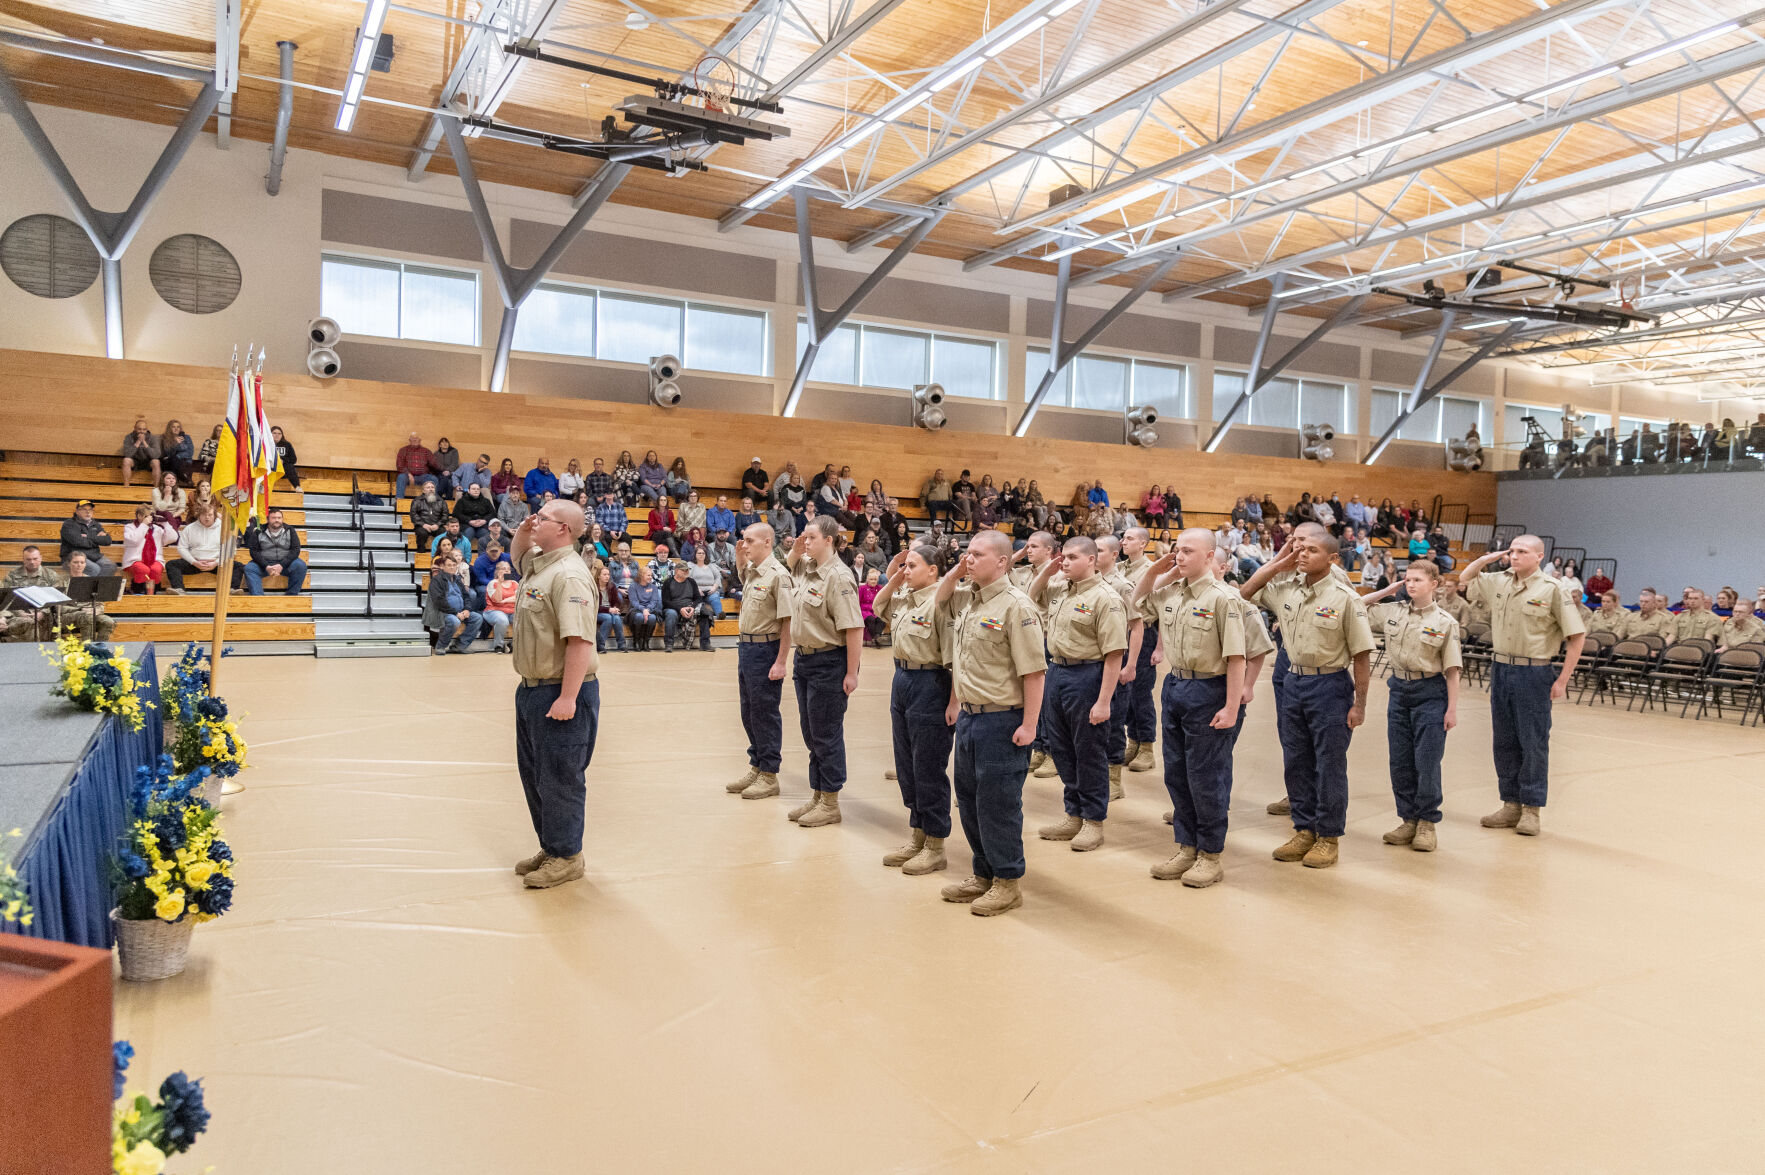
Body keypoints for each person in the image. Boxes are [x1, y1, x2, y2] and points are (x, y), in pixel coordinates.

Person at [1241, 532, 1375, 869]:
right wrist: (1281, 562)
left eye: (1312, 550)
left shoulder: (1346, 598)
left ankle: (1328, 837)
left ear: (1331, 558)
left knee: (1329, 764)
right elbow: (1244, 593)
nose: (1303, 554)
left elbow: (1361, 656)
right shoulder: (1288, 587)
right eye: (1301, 549)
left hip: (1330, 685)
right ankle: (1304, 829)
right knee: (1296, 760)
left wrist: (1360, 704)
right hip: (1293, 681)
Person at [934, 530, 1047, 917]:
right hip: (970, 718)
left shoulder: (1017, 607)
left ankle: (1007, 881)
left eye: (977, 554)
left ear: (1002, 561)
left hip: (1003, 721)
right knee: (968, 800)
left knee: (998, 804)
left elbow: (1034, 672)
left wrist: (1030, 726)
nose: (969, 559)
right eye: (967, 553)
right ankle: (983, 873)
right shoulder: (970, 604)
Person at [1130, 529, 1248, 887]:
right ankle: (1186, 845)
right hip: (1176, 686)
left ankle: (1210, 854)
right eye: (1177, 550)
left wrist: (1230, 708)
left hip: (1209, 690)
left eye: (1188, 551)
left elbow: (1237, 658)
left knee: (1205, 777)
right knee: (1177, 774)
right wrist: (1156, 571)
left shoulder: (1223, 599)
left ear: (1210, 556)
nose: (1179, 556)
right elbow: (1134, 603)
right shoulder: (1170, 593)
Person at [1459, 536, 1587, 837]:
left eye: (1522, 552)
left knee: (1533, 741)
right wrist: (1486, 559)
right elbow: (1465, 580)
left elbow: (1576, 636)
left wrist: (1563, 680)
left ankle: (1531, 808)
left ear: (1539, 556)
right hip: (1501, 667)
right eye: (1512, 551)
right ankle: (1510, 804)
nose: (1514, 556)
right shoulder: (1499, 580)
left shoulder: (1553, 589)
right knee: (1503, 740)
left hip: (1534, 671)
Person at [504, 500, 599, 890]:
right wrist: (524, 531)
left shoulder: (569, 575)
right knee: (537, 776)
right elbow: (517, 556)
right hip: (531, 689)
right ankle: (551, 844)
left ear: (563, 530)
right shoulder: (542, 565)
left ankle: (567, 856)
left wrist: (568, 697)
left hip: (560, 692)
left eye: (541, 518)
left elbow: (579, 642)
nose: (533, 520)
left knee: (560, 778)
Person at [1025, 537, 1128, 853]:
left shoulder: (1105, 598)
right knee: (1062, 749)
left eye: (1071, 557)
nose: (1064, 562)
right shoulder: (1060, 590)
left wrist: (1103, 700)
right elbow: (1031, 596)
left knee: (1089, 751)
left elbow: (1114, 654)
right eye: (1062, 557)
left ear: (1091, 560)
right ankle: (1073, 814)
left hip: (1088, 676)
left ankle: (1093, 821)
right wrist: (1049, 570)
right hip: (1056, 671)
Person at [1361, 561, 1462, 853]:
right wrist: (1387, 590)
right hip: (1399, 690)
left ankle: (1427, 823)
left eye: (1418, 580)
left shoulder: (1445, 622)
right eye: (1407, 579)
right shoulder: (1393, 611)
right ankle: (1408, 819)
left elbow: (1453, 670)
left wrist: (1452, 709)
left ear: (1434, 584)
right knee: (1400, 760)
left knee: (1427, 761)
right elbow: (1355, 607)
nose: (1411, 584)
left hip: (1430, 691)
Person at [869, 545, 957, 876]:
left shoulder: (940, 602)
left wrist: (954, 701)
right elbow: (878, 607)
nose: (907, 570)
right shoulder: (907, 596)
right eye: (905, 565)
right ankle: (917, 834)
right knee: (906, 764)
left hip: (930, 683)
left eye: (913, 565)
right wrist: (895, 575)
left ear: (933, 570)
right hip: (902, 679)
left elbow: (953, 657)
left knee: (927, 765)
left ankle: (935, 844)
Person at [783, 516, 865, 829]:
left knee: (826, 734)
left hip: (829, 663)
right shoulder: (807, 566)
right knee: (810, 733)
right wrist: (802, 538)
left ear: (829, 540)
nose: (806, 541)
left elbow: (854, 628)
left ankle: (831, 801)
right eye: (804, 536)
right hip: (804, 661)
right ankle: (818, 794)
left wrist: (852, 672)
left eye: (812, 537)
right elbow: (788, 561)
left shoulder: (839, 577)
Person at [724, 523, 795, 801]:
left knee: (765, 713)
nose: (744, 544)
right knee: (748, 711)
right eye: (742, 540)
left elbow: (787, 622)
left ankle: (769, 774)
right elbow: (741, 568)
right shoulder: (754, 571)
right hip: (747, 649)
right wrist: (741, 554)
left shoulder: (778, 575)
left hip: (767, 649)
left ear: (767, 542)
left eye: (749, 540)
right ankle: (756, 764)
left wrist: (781, 661)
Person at [1093, 535, 1146, 803]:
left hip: (1116, 660)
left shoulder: (1123, 586)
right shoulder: (1086, 582)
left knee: (1113, 721)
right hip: (1092, 663)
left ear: (1114, 555)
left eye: (1100, 550)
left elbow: (1137, 626)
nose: (1095, 552)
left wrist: (1132, 664)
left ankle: (1114, 779)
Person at [1118, 527, 1159, 774]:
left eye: (1130, 538)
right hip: (1121, 634)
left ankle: (1146, 746)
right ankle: (1132, 741)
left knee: (1141, 693)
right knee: (1126, 694)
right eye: (1123, 538)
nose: (1124, 541)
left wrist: (1161, 647)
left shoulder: (1151, 571)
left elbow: (1163, 609)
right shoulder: (1122, 569)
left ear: (1143, 543)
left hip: (1145, 633)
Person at [426, 551, 484, 654]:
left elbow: (467, 596)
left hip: (460, 611)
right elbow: (439, 601)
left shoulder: (457, 579)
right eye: (449, 565)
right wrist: (455, 613)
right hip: (442, 612)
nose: (452, 567)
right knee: (454, 621)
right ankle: (440, 646)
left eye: (454, 565)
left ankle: (460, 645)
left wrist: (467, 609)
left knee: (477, 618)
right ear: (443, 567)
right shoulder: (437, 581)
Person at [164, 501, 226, 594]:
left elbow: (230, 549)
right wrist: (194, 562)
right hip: (195, 562)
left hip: (217, 563)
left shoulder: (224, 528)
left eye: (210, 515)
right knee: (171, 564)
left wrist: (216, 562)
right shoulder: (190, 528)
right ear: (199, 516)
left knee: (238, 566)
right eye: (204, 515)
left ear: (215, 516)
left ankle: (231, 590)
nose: (207, 517)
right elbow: (182, 547)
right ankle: (179, 589)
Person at [242, 508, 307, 595]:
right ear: (268, 519)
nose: (277, 520)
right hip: (264, 565)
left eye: (279, 518)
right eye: (273, 518)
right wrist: (266, 566)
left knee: (300, 566)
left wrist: (282, 565)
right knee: (249, 568)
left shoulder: (290, 530)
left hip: (285, 565)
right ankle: (258, 598)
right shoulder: (258, 530)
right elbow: (253, 551)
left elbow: (295, 549)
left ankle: (291, 596)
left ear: (282, 519)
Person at [57, 500, 116, 577]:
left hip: (94, 556)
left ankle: (97, 588)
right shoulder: (69, 524)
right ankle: (92, 588)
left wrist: (88, 537)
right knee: (95, 569)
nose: (88, 512)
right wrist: (97, 538)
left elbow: (107, 540)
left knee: (111, 566)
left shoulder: (96, 524)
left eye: (90, 510)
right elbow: (78, 542)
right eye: (84, 509)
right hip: (73, 558)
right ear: (77, 511)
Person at [660, 563, 710, 652]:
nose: (686, 572)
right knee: (671, 614)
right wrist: (680, 609)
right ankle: (669, 643)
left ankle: (705, 644)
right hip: (673, 607)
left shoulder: (691, 581)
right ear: (676, 570)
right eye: (683, 570)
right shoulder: (668, 582)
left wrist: (692, 607)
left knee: (704, 612)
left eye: (687, 570)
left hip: (689, 606)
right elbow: (666, 602)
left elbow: (698, 598)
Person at [625, 566, 662, 652]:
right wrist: (643, 610)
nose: (650, 577)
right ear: (641, 575)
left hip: (650, 610)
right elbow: (634, 602)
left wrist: (647, 609)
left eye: (651, 575)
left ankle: (646, 641)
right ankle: (636, 640)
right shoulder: (633, 586)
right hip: (636, 609)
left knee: (652, 618)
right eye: (648, 575)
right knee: (639, 617)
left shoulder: (653, 587)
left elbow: (654, 601)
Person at [394, 433, 439, 500]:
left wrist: (434, 465)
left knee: (433, 478)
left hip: (423, 476)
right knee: (401, 477)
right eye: (413, 439)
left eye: (416, 438)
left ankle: (432, 501)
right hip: (408, 477)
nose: (415, 440)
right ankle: (399, 500)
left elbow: (434, 465)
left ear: (420, 440)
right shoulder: (403, 450)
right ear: (409, 440)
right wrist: (408, 474)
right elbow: (399, 465)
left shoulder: (426, 451)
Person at [120, 419, 161, 487]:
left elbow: (156, 455)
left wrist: (144, 443)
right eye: (139, 429)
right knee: (126, 460)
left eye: (144, 429)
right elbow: (127, 454)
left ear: (147, 429)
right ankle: (126, 486)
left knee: (156, 461)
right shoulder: (129, 437)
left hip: (148, 461)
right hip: (135, 461)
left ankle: (156, 488)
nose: (142, 431)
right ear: (135, 428)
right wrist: (138, 442)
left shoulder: (152, 438)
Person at [453, 481, 495, 546]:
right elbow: (456, 514)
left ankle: (485, 555)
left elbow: (493, 514)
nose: (476, 490)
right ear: (468, 491)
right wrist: (469, 521)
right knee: (469, 532)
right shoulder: (462, 501)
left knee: (486, 535)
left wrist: (484, 520)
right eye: (473, 489)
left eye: (478, 489)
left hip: (482, 525)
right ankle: (460, 553)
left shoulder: (486, 501)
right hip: (466, 525)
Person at [158, 420, 195, 484]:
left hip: (185, 461)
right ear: (169, 428)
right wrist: (175, 444)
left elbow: (190, 452)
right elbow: (168, 453)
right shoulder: (165, 438)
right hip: (172, 461)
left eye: (178, 427)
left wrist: (178, 456)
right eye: (173, 427)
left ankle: (175, 482)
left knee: (173, 461)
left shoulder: (186, 437)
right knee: (172, 461)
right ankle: (184, 479)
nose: (176, 429)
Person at [268, 426, 301, 490]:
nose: (277, 435)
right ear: (270, 434)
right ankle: (262, 486)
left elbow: (294, 459)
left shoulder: (287, 444)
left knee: (290, 466)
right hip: (271, 469)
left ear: (282, 435)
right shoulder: (266, 444)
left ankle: (297, 487)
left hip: (283, 470)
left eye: (279, 433)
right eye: (274, 433)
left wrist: (283, 461)